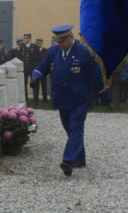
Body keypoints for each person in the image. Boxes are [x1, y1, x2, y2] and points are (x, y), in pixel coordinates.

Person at [31, 25, 111, 176]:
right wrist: (36, 76)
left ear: (70, 37)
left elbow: (96, 75)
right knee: (70, 129)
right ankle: (80, 159)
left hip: (79, 99)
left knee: (75, 127)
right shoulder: (53, 51)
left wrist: (103, 94)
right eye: (58, 41)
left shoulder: (84, 52)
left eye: (62, 41)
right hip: (62, 99)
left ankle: (68, 161)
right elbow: (43, 66)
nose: (60, 44)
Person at [18, 33, 37, 101]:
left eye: (26, 38)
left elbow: (38, 57)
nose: (25, 39)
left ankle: (35, 99)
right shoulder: (22, 46)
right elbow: (20, 56)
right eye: (24, 38)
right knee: (24, 83)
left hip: (32, 68)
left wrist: (36, 66)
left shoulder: (34, 46)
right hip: (25, 68)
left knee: (33, 83)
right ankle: (25, 98)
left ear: (29, 38)